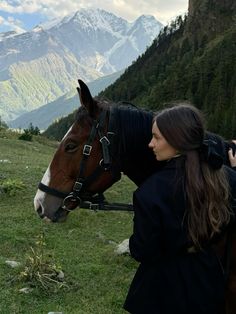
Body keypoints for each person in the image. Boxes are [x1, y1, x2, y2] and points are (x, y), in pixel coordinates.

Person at [123, 104, 236, 314]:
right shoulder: (224, 178)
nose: (150, 144)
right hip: (208, 285)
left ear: (176, 140)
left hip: (162, 292)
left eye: (156, 138)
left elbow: (142, 250)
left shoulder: (150, 193)